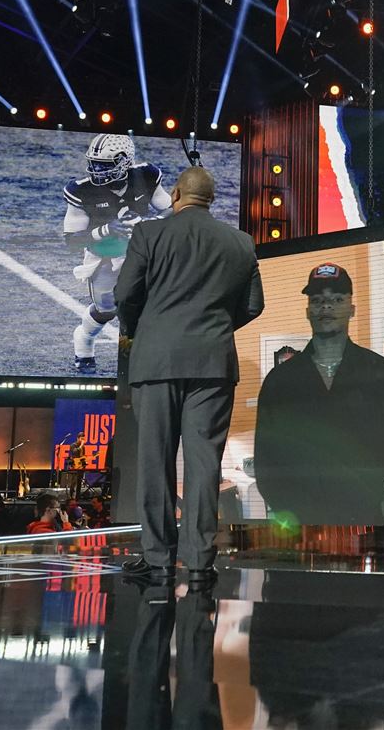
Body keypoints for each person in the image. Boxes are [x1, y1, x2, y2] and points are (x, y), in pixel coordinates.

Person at [115, 166, 264, 584]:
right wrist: (214, 329)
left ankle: (157, 557)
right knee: (204, 464)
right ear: (211, 198)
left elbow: (125, 294)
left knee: (155, 460)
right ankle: (199, 559)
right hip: (213, 366)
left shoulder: (149, 233)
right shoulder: (240, 242)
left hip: (156, 362)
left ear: (176, 194)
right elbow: (254, 305)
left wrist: (141, 330)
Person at [253, 263, 384, 525]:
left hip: (364, 519)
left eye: (337, 299)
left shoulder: (379, 373)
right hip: (301, 524)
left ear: (352, 309)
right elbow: (266, 459)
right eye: (317, 300)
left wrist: (382, 497)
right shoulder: (280, 381)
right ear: (307, 311)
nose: (326, 306)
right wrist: (288, 508)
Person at [62, 134, 173, 374]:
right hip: (104, 256)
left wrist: (148, 222)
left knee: (146, 306)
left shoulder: (146, 175)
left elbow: (172, 209)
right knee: (106, 310)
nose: (96, 170)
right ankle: (84, 339)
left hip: (141, 254)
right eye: (94, 163)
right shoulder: (81, 190)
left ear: (125, 162)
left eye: (103, 164)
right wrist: (106, 230)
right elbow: (71, 240)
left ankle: (138, 359)